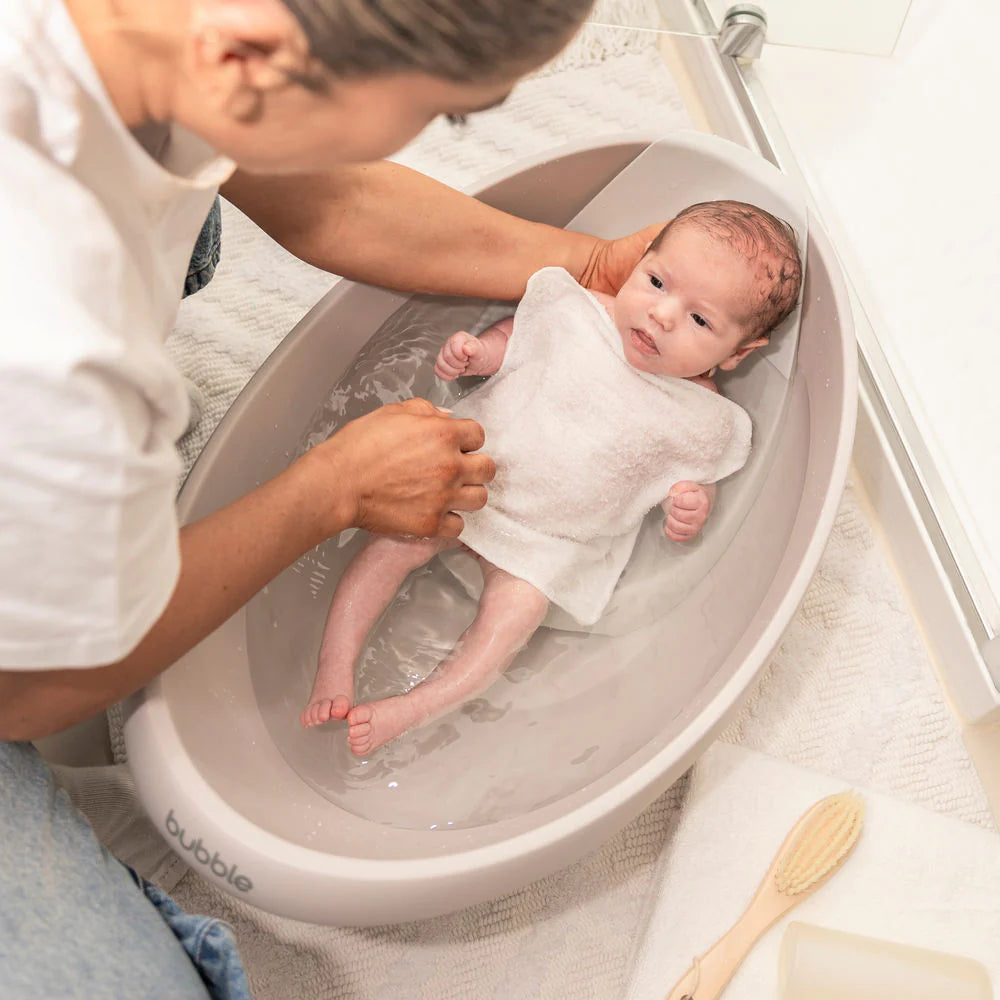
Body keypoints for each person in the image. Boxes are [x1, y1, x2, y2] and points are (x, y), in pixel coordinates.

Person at [0, 0, 666, 995]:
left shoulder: (156, 38)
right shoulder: (56, 345)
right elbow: (28, 690)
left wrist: (583, 270)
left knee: (195, 220)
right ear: (247, 60)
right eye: (446, 111)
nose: (435, 129)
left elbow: (322, 194)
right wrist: (330, 490)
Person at [301, 200, 803, 756]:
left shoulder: (702, 416)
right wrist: (481, 353)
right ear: (642, 261)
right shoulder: (579, 311)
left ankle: (414, 708)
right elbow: (519, 338)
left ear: (739, 352)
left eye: (700, 320)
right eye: (657, 282)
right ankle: (334, 665)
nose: (661, 314)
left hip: (547, 544)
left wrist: (690, 504)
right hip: (467, 480)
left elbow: (692, 477)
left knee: (514, 620)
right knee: (390, 546)